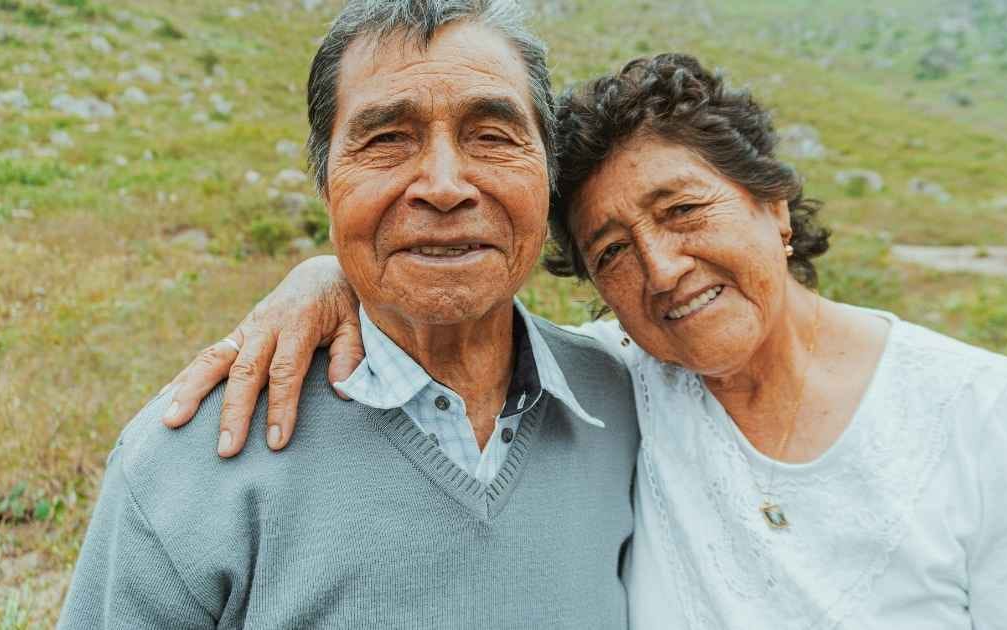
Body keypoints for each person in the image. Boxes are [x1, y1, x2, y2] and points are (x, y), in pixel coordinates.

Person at [164, 51, 1007, 628]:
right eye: (612, 251)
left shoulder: (974, 411)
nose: (664, 269)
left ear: (772, 205)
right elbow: (457, 319)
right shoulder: (610, 387)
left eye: (683, 210)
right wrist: (328, 275)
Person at [58, 2, 640, 627]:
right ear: (326, 186)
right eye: (388, 140)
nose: (445, 186)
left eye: (492, 137)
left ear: (548, 176)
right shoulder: (187, 463)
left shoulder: (624, 401)